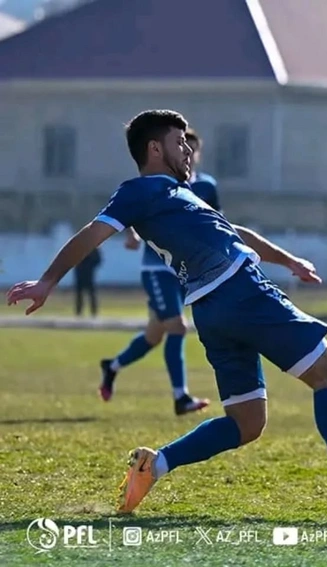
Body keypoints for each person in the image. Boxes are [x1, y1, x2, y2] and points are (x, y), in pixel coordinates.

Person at [6, 109, 327, 514]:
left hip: (211, 312)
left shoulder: (180, 195)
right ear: (154, 148)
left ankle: (154, 465)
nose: (187, 150)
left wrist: (288, 261)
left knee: (247, 423)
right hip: (242, 292)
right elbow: (92, 234)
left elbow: (234, 233)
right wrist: (48, 281)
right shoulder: (140, 191)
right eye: (179, 142)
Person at [99, 128, 215, 416]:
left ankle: (112, 366)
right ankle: (181, 397)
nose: (185, 152)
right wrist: (131, 234)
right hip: (157, 269)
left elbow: (216, 222)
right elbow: (132, 207)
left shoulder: (206, 186)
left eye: (189, 147)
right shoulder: (159, 183)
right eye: (179, 145)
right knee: (178, 327)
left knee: (154, 335)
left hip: (186, 271)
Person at [73, 247, 101, 317]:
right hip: (80, 273)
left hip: (88, 274)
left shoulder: (93, 248)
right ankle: (79, 312)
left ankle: (93, 312)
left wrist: (89, 265)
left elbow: (97, 260)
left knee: (91, 294)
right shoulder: (78, 248)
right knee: (80, 294)